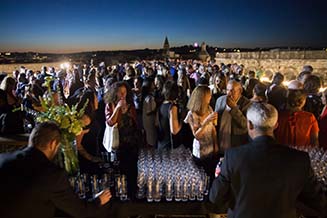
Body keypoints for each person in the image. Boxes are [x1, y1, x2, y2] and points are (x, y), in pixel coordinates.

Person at [209, 102, 327, 218]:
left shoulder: (233, 156)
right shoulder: (300, 159)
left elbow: (216, 197)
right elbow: (319, 203)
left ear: (249, 124)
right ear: (276, 125)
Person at [0, 122, 111, 218]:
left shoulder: (3, 158)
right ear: (53, 144)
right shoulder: (52, 175)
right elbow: (80, 211)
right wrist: (99, 200)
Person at [184, 85, 218, 178]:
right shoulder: (191, 114)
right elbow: (196, 135)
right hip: (200, 152)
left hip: (210, 149)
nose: (211, 97)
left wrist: (216, 146)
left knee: (210, 175)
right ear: (202, 97)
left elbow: (213, 129)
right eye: (209, 95)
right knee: (200, 177)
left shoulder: (209, 108)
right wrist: (206, 121)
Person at [214, 80, 251, 154]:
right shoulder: (220, 100)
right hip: (221, 139)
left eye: (232, 91)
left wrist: (234, 109)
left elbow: (245, 125)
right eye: (227, 90)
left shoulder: (247, 104)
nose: (229, 93)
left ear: (240, 91)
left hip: (235, 142)